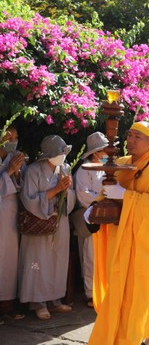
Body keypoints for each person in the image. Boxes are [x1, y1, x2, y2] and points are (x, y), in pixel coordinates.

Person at [88, 122, 149, 345]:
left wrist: (125, 195)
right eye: (129, 135)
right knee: (119, 286)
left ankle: (132, 336)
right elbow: (106, 190)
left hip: (142, 240)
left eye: (137, 136)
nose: (130, 140)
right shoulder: (122, 163)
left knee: (138, 287)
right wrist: (92, 208)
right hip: (119, 235)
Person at [19, 135, 76, 320]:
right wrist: (57, 189)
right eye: (60, 153)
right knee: (38, 262)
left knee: (58, 259)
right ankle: (38, 302)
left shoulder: (65, 168)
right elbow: (29, 199)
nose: (63, 156)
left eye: (64, 152)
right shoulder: (34, 170)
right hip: (39, 223)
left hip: (60, 221)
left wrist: (66, 193)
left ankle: (55, 299)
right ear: (48, 154)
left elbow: (71, 195)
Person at [73, 132, 109, 308]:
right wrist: (103, 199)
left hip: (107, 218)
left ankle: (105, 291)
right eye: (104, 151)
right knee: (90, 257)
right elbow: (83, 195)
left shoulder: (105, 168)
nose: (107, 154)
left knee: (104, 257)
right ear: (96, 152)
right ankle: (90, 293)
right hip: (91, 218)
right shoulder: (84, 170)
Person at [0, 126, 26, 320]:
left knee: (9, 259)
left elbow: (22, 187)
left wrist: (16, 173)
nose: (13, 141)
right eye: (9, 137)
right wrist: (8, 172)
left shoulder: (15, 157)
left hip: (10, 214)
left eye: (16, 137)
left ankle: (8, 303)